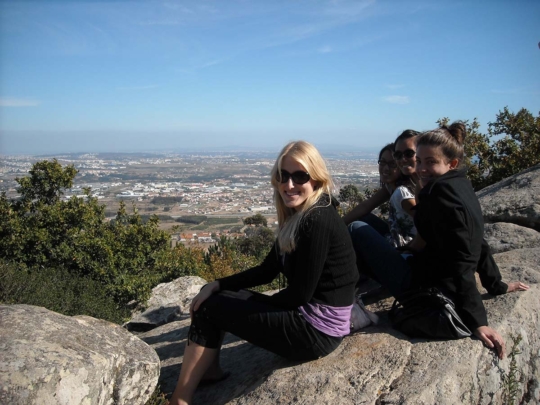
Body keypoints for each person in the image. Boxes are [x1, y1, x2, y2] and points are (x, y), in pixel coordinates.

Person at [169, 141, 359, 405]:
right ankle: (208, 370)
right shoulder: (299, 215)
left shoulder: (317, 219)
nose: (289, 184)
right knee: (218, 297)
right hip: (314, 322)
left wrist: (253, 301)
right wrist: (219, 283)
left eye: (299, 176)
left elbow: (299, 295)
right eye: (283, 175)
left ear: (316, 180)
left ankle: (180, 399)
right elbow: (267, 270)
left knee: (210, 307)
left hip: (316, 332)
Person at [348, 122, 529, 359]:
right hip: (424, 269)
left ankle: (347, 302)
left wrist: (478, 321)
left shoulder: (437, 197)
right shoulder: (459, 186)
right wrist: (496, 285)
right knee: (361, 225)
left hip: (421, 287)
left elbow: (463, 259)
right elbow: (479, 243)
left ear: (451, 163)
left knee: (357, 228)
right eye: (420, 161)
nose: (421, 168)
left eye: (429, 162)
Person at [343, 130, 420, 248]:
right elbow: (365, 206)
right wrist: (337, 224)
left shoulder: (402, 193)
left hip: (406, 251)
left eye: (392, 164)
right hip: (399, 241)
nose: (385, 168)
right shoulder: (391, 188)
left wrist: (410, 250)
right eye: (382, 162)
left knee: (356, 227)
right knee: (364, 217)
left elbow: (428, 224)